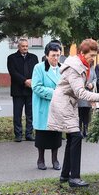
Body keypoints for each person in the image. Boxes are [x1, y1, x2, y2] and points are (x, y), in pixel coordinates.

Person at [47, 38, 99, 188]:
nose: (93, 59)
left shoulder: (83, 64)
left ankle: (65, 175)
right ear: (82, 52)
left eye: (94, 56)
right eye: (91, 55)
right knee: (76, 136)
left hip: (69, 103)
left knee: (72, 137)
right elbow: (80, 92)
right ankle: (74, 177)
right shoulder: (74, 67)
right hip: (63, 103)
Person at [32, 42, 63, 171]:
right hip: (44, 106)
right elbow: (36, 87)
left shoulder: (63, 68)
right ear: (46, 55)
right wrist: (55, 93)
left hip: (58, 107)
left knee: (56, 134)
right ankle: (41, 159)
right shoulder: (39, 68)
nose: (56, 58)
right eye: (53, 55)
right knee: (42, 134)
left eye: (58, 55)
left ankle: (55, 159)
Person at [7, 38, 38, 142]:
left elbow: (36, 72)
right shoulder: (11, 58)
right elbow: (13, 72)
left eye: (26, 46)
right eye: (23, 46)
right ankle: (18, 135)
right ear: (18, 47)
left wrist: (32, 81)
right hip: (18, 91)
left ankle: (29, 134)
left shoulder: (33, 57)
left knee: (30, 114)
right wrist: (25, 81)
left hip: (30, 90)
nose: (25, 48)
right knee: (17, 114)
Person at [78, 62, 97, 138]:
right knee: (79, 113)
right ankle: (79, 129)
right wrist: (85, 84)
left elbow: (95, 78)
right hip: (80, 94)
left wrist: (92, 84)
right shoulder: (79, 66)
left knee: (87, 113)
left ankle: (86, 129)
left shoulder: (92, 68)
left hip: (89, 94)